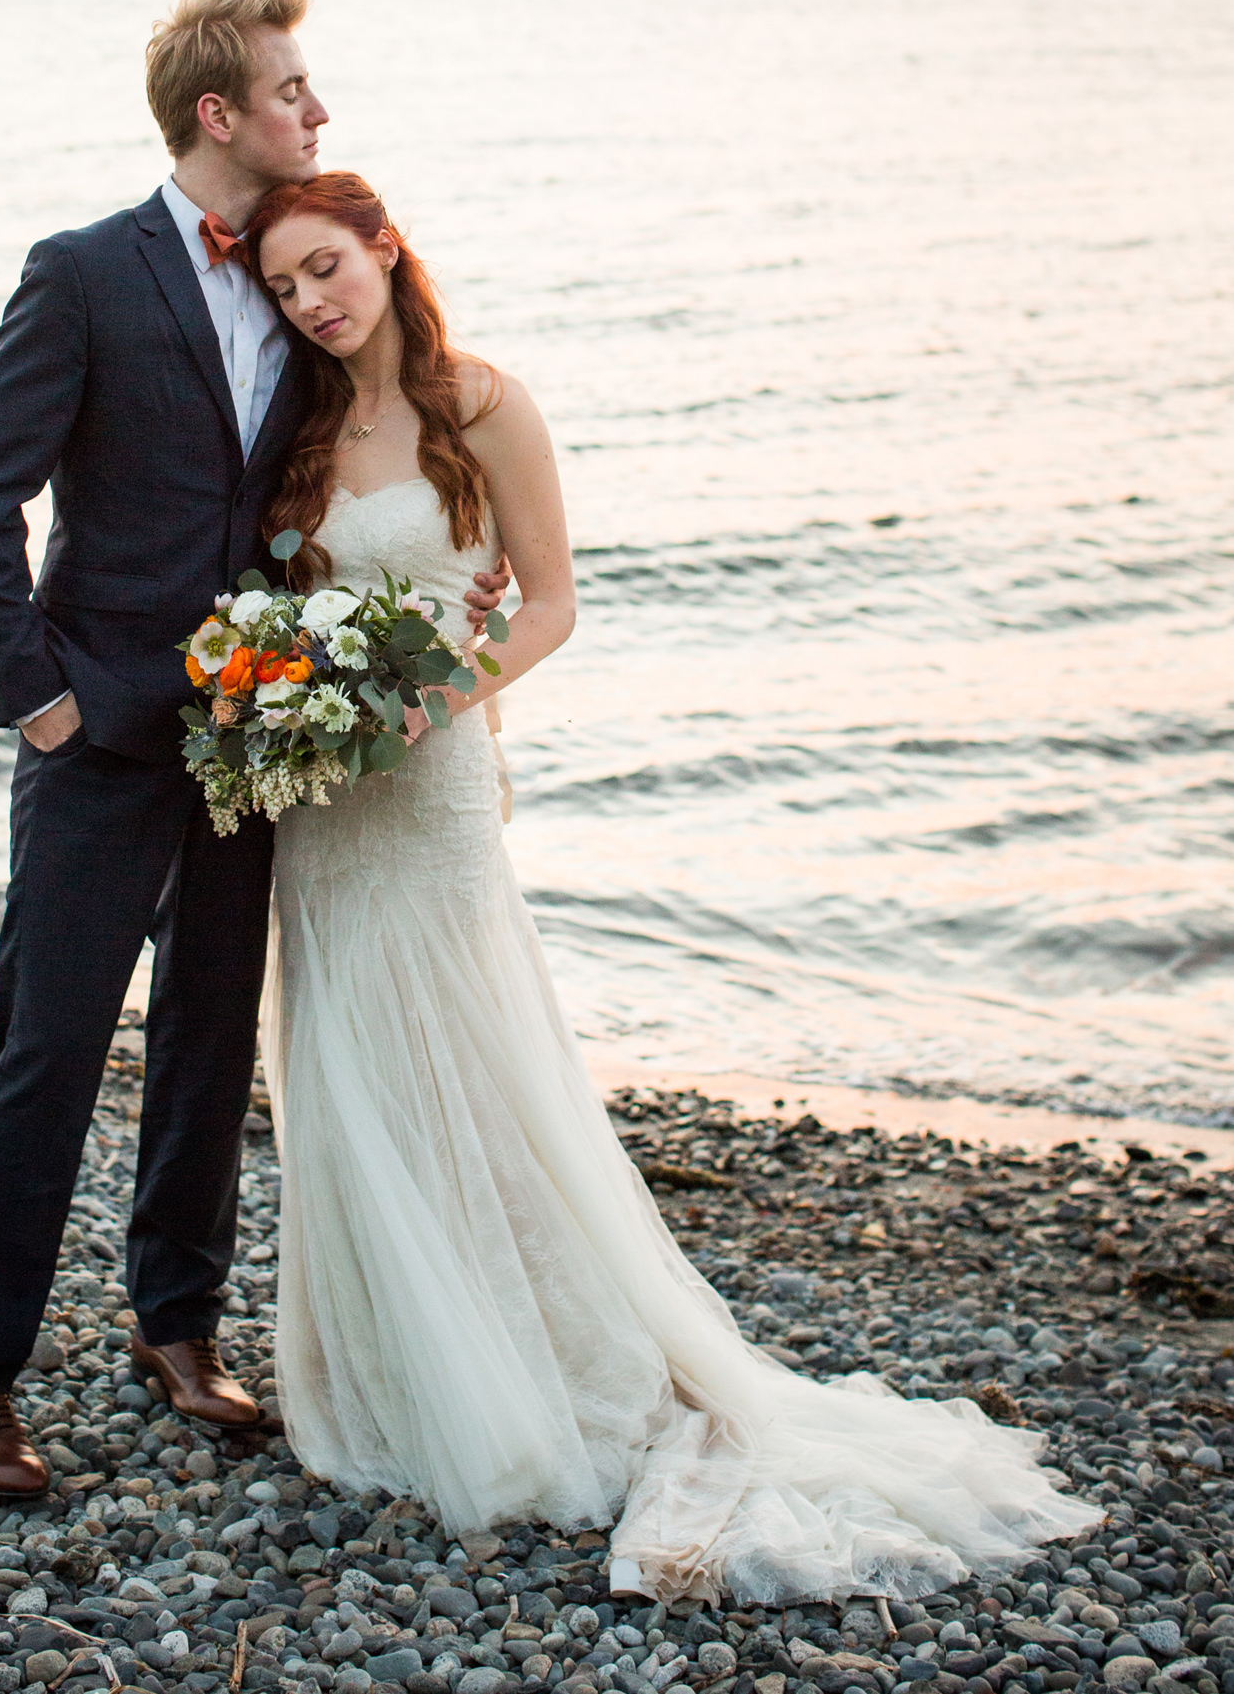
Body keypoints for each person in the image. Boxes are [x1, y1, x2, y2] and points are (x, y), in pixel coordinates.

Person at [248, 170, 1099, 1603]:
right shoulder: (300, 423)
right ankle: (399, 1366)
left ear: (385, 248)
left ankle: (540, 1363)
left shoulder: (484, 404)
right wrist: (285, 696)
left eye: (325, 265)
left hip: (434, 782)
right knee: (350, 1068)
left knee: (472, 1065)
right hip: (325, 812)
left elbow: (553, 600)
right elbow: (285, 603)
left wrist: (440, 694)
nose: (311, 300)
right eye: (282, 286)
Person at [0, 0, 511, 1497]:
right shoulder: (82, 273)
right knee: (48, 1052)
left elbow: (352, 462)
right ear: (218, 114)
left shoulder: (302, 279)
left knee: (204, 1044)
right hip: (100, 734)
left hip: (254, 743)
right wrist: (34, 695)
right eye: (294, 89)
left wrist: (454, 565)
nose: (317, 109)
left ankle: (176, 1322)